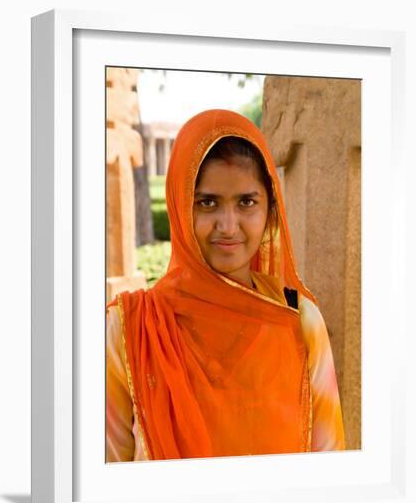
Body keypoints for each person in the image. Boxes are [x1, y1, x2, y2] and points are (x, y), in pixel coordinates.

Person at [106, 109, 345, 462]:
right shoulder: (131, 329)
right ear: (179, 204)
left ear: (270, 209)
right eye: (207, 203)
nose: (228, 226)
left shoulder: (299, 320)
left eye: (246, 202)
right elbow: (107, 469)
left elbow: (328, 463)